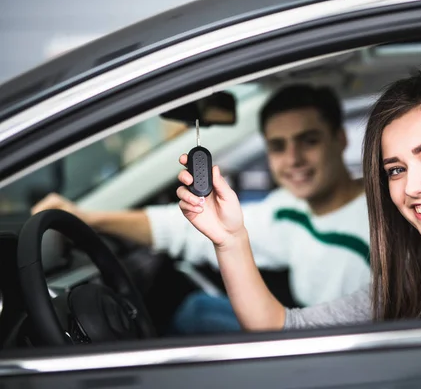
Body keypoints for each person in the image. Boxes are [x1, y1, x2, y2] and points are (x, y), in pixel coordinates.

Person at [175, 66, 421, 330]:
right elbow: (281, 327)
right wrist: (230, 240)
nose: (413, 187)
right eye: (395, 169)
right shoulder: (410, 283)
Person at [31, 84, 370, 333]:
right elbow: (185, 228)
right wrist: (89, 218)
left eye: (308, 140)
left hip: (328, 349)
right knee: (195, 308)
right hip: (300, 326)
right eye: (278, 146)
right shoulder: (289, 209)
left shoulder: (379, 216)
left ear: (339, 139)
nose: (293, 159)